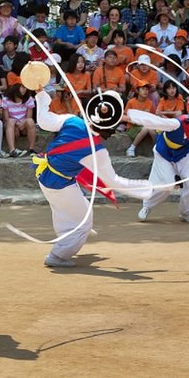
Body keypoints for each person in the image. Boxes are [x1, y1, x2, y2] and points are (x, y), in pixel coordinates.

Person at [32, 90, 152, 267]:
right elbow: (113, 182)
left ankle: (66, 238)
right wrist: (148, 188)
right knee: (84, 222)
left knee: (70, 208)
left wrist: (41, 94)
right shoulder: (97, 150)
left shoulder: (71, 120)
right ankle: (58, 256)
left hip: (46, 174)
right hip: (59, 183)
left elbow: (43, 120)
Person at [130, 102, 189, 223]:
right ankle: (147, 206)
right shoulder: (177, 123)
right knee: (167, 184)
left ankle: (186, 213)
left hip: (183, 155)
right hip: (164, 153)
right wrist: (137, 117)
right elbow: (159, 122)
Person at [2, 83, 36, 157]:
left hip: (23, 124)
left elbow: (29, 117)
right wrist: (16, 124)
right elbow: (6, 119)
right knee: (11, 121)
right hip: (11, 125)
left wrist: (21, 123)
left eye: (25, 87)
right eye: (22, 87)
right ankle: (12, 150)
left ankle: (31, 149)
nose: (24, 89)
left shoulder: (29, 99)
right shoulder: (6, 100)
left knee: (30, 121)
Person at [125, 81, 156, 157]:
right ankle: (131, 148)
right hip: (133, 126)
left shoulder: (150, 103)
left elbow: (153, 117)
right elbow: (126, 117)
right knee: (146, 128)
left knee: (152, 130)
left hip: (145, 124)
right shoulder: (131, 102)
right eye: (143, 89)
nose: (145, 91)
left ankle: (158, 148)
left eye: (147, 89)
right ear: (137, 91)